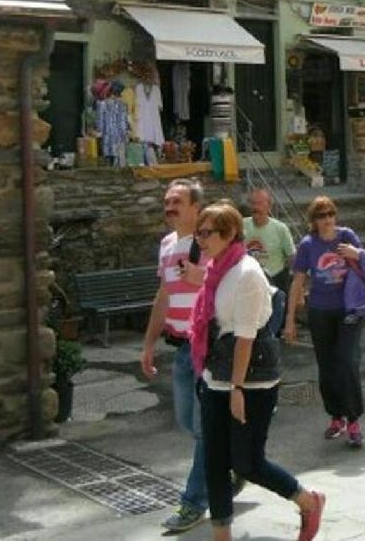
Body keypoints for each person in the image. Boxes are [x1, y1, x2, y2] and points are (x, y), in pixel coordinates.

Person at [189, 201, 326, 541]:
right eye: (198, 233)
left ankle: (307, 500)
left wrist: (236, 389)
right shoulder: (215, 270)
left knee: (248, 462)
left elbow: (246, 338)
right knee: (214, 461)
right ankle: (222, 535)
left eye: (207, 233)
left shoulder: (247, 273)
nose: (200, 240)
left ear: (230, 233)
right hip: (215, 376)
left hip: (251, 380)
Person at [139, 179, 213, 534]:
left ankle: (193, 503)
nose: (169, 207)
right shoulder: (167, 245)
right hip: (182, 348)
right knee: (187, 423)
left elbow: (240, 278)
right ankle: (232, 466)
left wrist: (203, 278)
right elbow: (164, 296)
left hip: (210, 347)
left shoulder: (211, 240)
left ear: (195, 207)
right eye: (166, 201)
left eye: (176, 201)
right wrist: (148, 343)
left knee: (202, 430)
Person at [285, 196, 365, 448]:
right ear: (313, 220)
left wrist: (358, 253)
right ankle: (336, 416)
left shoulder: (347, 237)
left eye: (330, 214)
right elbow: (298, 281)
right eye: (321, 216)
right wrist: (290, 320)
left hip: (349, 309)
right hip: (320, 311)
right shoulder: (308, 245)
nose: (327, 220)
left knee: (348, 361)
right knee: (327, 365)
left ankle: (354, 420)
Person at [243, 188, 296, 292]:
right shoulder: (241, 226)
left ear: (269, 206)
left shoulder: (280, 229)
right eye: (253, 203)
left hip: (275, 282)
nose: (256, 207)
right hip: (249, 283)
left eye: (260, 203)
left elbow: (291, 257)